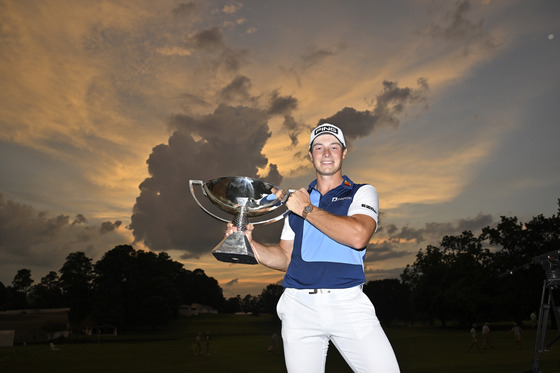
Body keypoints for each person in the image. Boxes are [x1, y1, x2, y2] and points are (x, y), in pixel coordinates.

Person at [226, 123, 400, 372]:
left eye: (333, 147)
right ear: (310, 154)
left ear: (344, 153)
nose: (326, 153)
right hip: (299, 307)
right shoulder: (296, 201)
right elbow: (285, 257)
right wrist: (249, 244)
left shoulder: (361, 193)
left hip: (348, 303)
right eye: (319, 147)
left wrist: (306, 209)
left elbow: (358, 235)